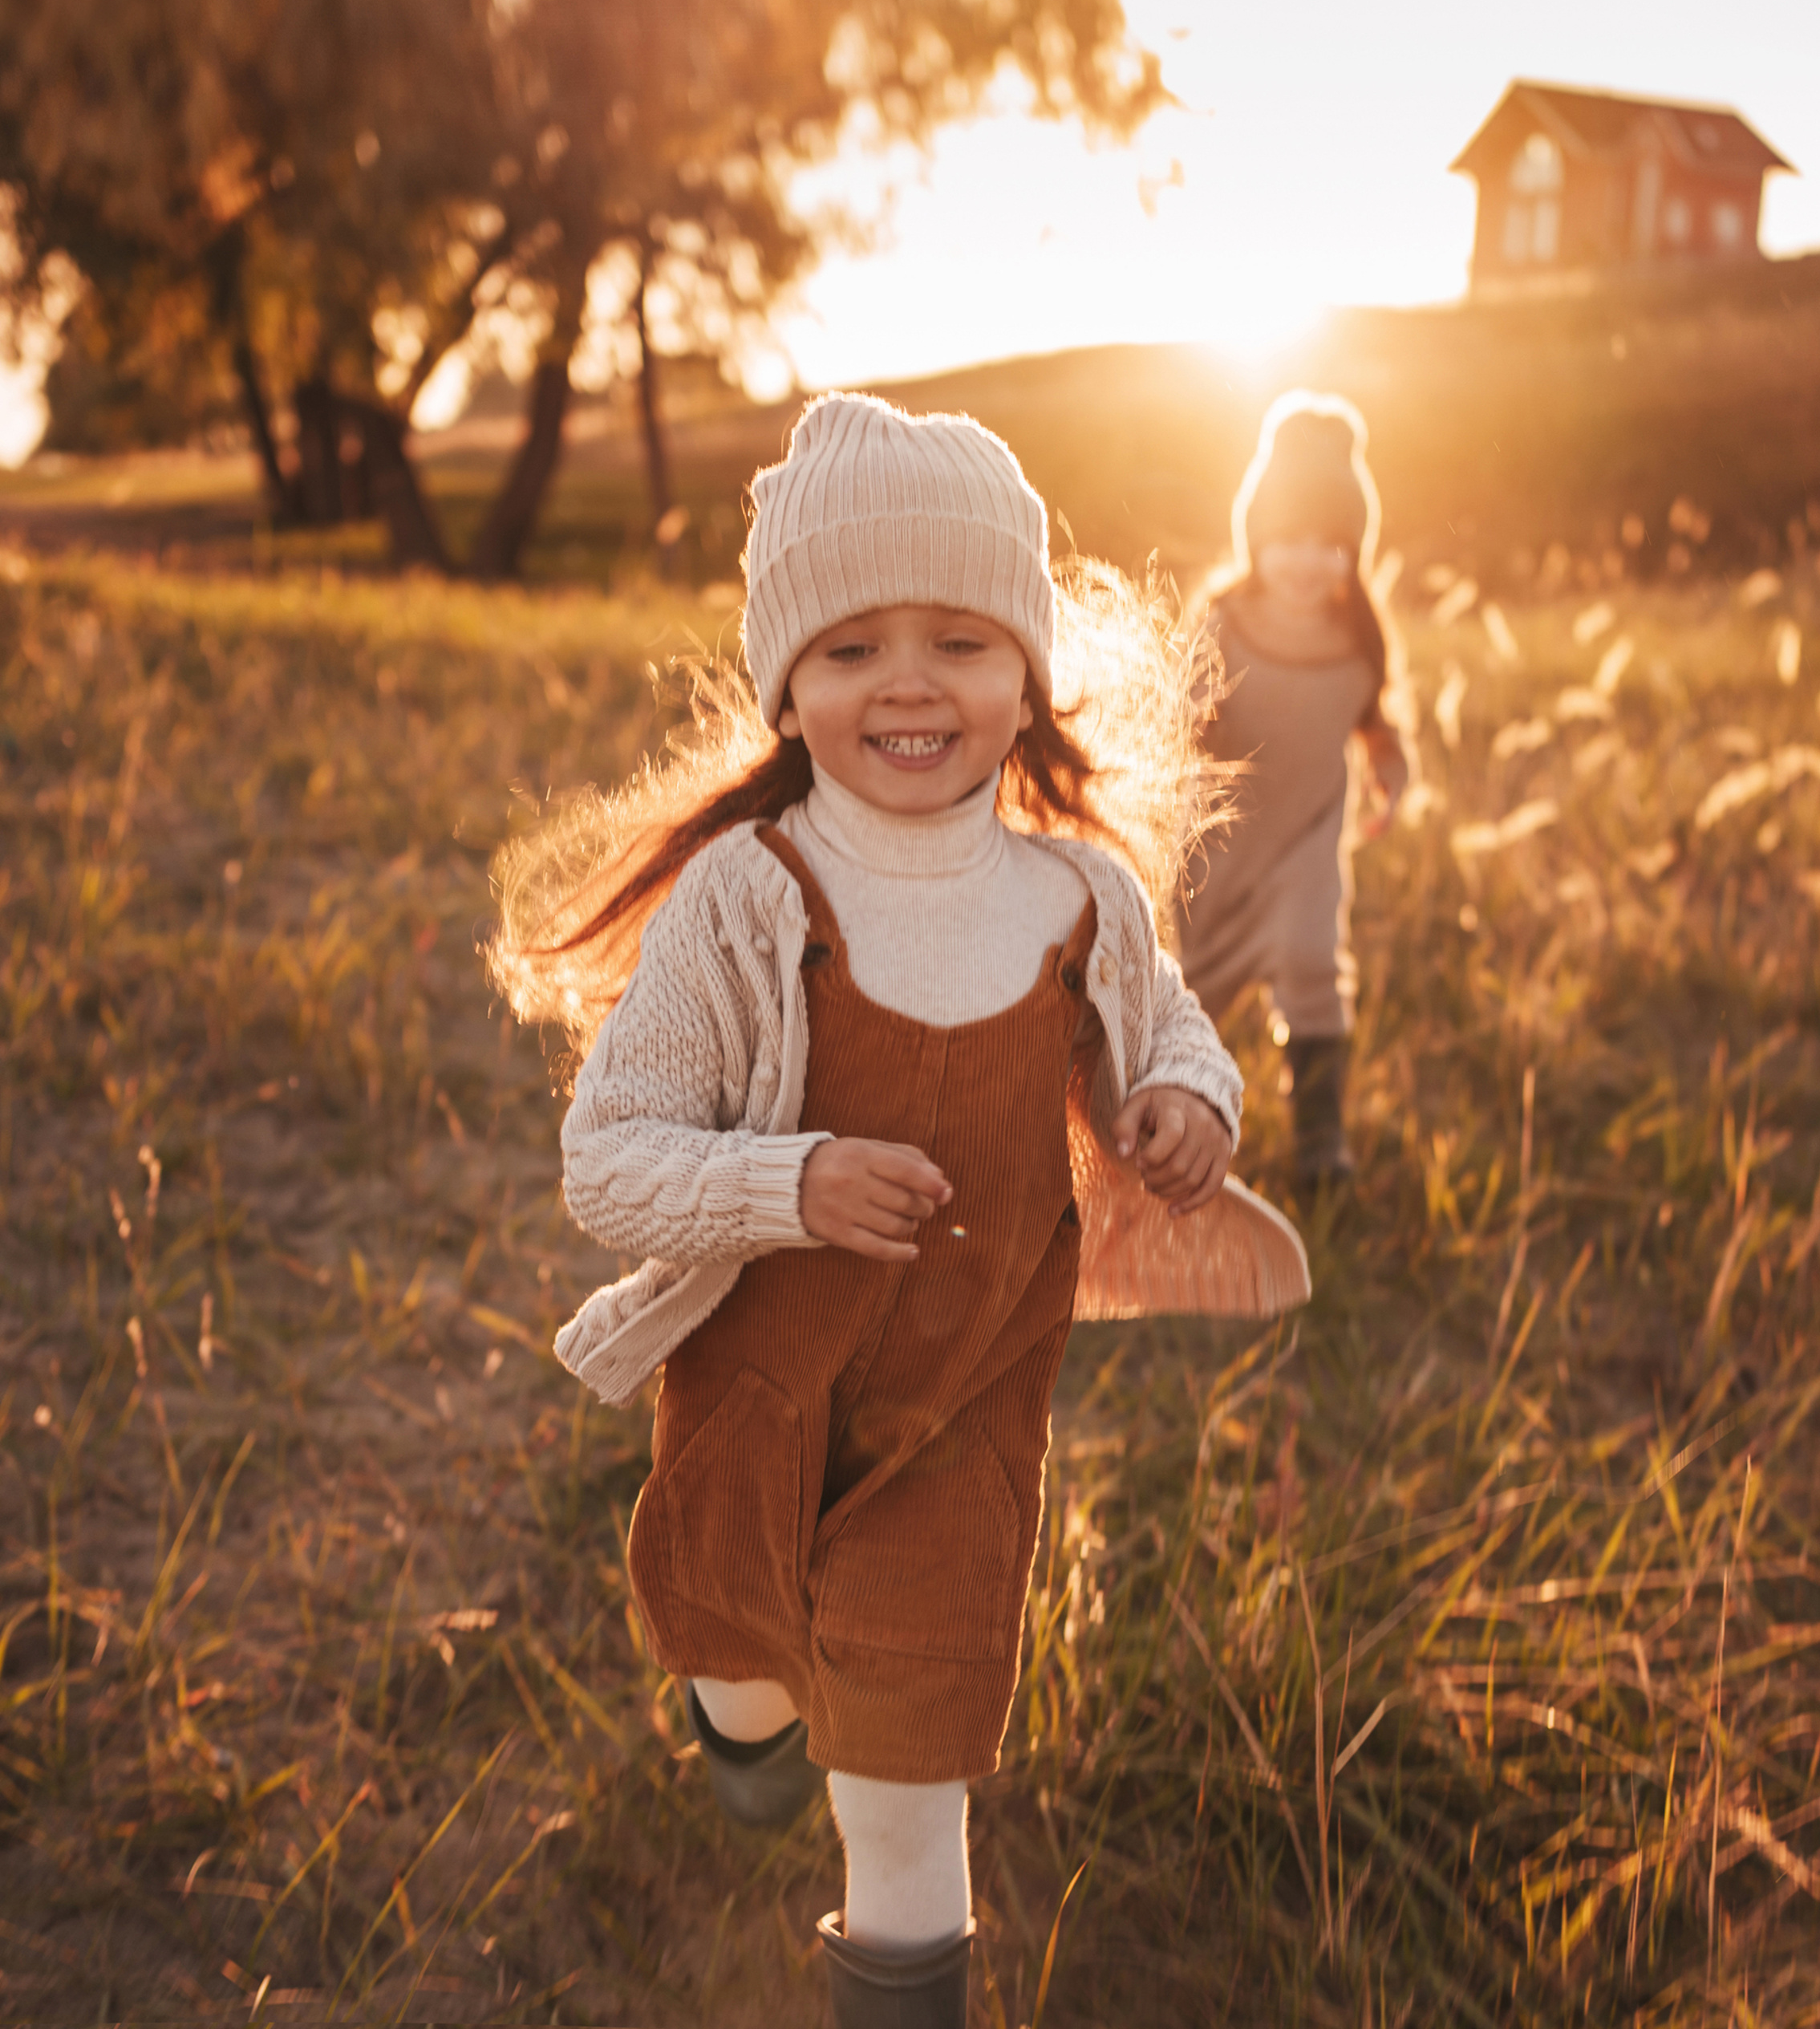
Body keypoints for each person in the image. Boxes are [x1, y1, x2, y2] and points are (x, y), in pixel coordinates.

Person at [488, 393, 1307, 2029]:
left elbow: (1170, 1029)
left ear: (1026, 670)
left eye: (959, 636)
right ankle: (745, 1723)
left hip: (969, 1405)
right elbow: (606, 1155)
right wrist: (785, 1179)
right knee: (731, 1641)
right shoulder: (749, 894)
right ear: (785, 684)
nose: (911, 682)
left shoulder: (1081, 895)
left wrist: (1186, 1103)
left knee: (908, 1789)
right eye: (851, 646)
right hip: (758, 1382)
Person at [1178, 391, 1411, 1194]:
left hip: (1311, 833)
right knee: (1192, 984)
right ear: (1255, 538)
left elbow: (1372, 718)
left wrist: (1390, 767)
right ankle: (1175, 1124)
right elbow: (1180, 718)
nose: (1308, 561)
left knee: (1314, 963)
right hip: (1225, 838)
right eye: (1287, 540)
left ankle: (1319, 1136)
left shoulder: (1357, 632)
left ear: (1355, 548)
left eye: (1330, 543)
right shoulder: (1227, 622)